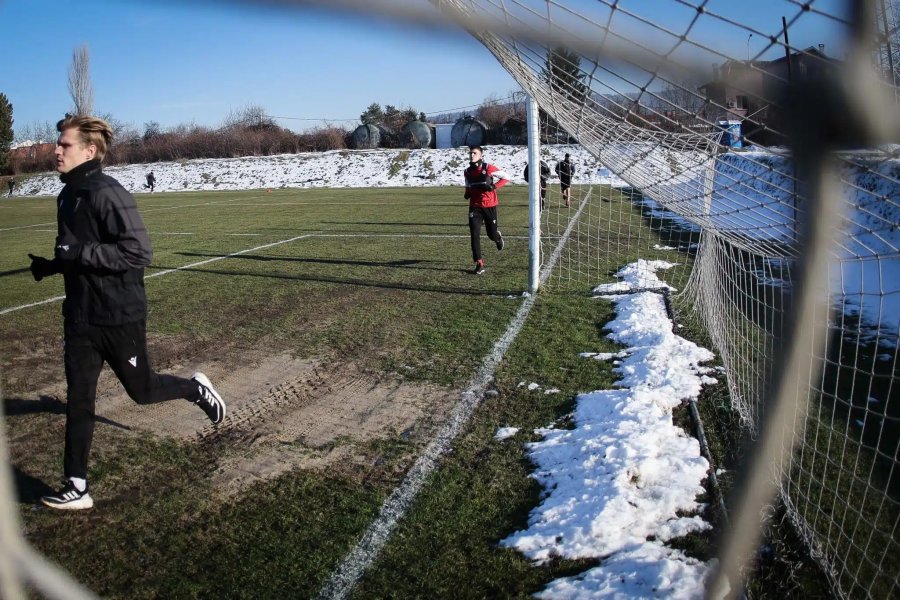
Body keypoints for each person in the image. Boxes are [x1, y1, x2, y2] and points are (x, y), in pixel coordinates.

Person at [27, 115, 226, 511]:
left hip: (119, 315)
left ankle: (194, 388)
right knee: (79, 399)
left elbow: (138, 252)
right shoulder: (67, 196)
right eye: (58, 144)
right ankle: (77, 486)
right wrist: (51, 265)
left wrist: (77, 254)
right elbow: (77, 252)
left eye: (64, 145)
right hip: (80, 317)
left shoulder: (108, 192)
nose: (56, 150)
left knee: (142, 390)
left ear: (89, 150)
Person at [463, 145, 510, 275]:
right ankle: (479, 263)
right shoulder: (467, 171)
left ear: (481, 155)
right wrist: (467, 193)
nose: (472, 155)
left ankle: (497, 238)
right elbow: (468, 184)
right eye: (470, 153)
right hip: (475, 206)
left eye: (475, 153)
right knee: (474, 233)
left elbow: (506, 177)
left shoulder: (488, 168)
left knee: (491, 234)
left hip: (489, 205)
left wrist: (494, 186)